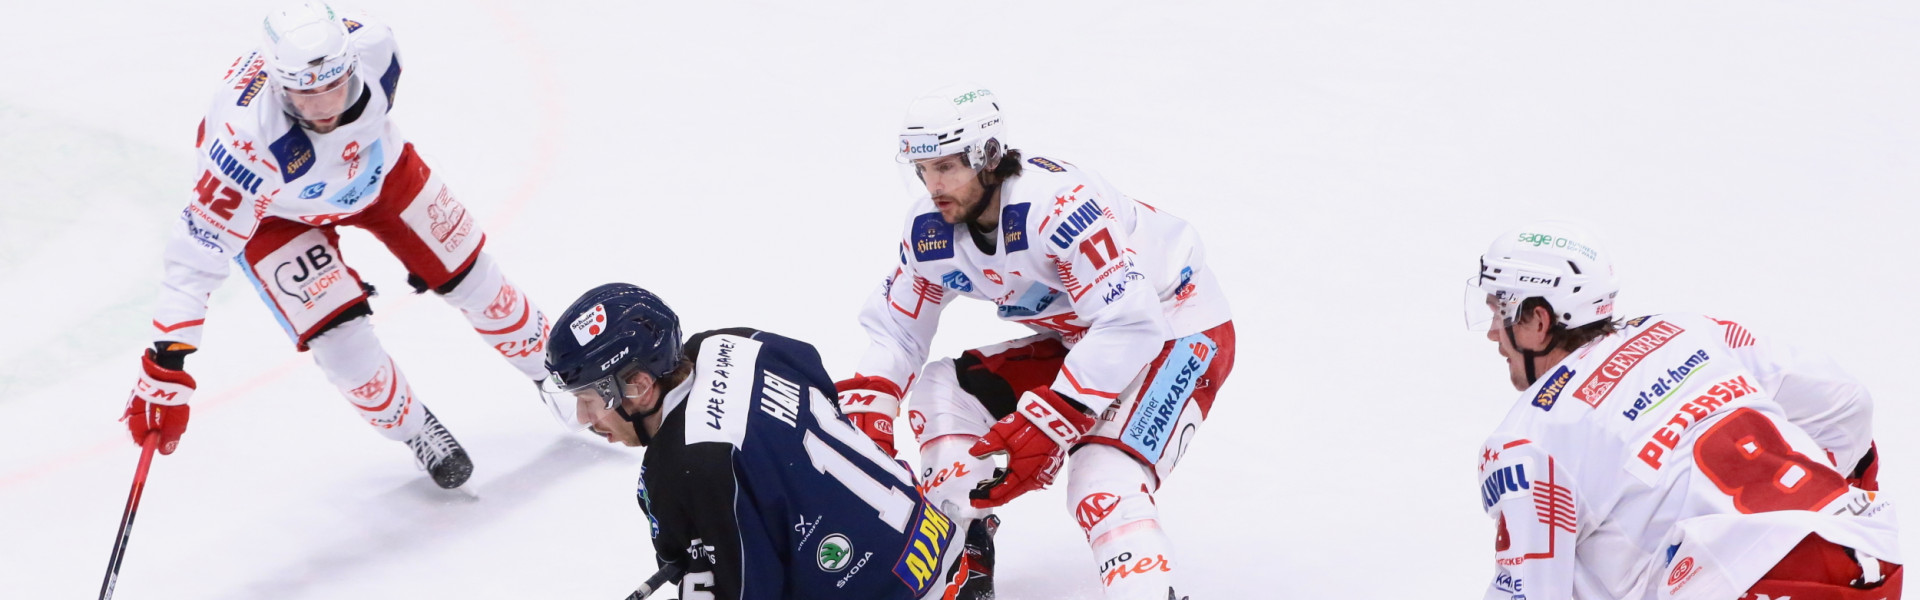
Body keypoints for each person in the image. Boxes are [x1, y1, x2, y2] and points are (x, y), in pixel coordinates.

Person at [122, 2, 557, 489]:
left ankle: (560, 375)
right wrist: (167, 364)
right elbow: (194, 257)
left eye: (336, 87)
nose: (325, 107)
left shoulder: (377, 46)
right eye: (304, 97)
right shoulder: (244, 145)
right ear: (277, 87)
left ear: (353, 66)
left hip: (381, 172)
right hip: (274, 216)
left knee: (476, 281)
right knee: (342, 345)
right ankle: (414, 429)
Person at [838, 84, 1235, 600]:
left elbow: (1132, 323)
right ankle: (962, 556)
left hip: (1178, 328)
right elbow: (897, 330)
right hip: (1087, 339)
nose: (933, 185)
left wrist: (1053, 418)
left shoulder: (1059, 208)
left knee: (1102, 477)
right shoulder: (929, 231)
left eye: (947, 167)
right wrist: (871, 403)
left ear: (987, 157)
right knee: (944, 393)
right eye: (922, 169)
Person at [1466, 221, 1901, 599]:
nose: (1492, 333)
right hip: (1865, 551)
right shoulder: (1688, 330)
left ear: (1539, 320)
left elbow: (1530, 591)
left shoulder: (1528, 438)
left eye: (1499, 313)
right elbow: (1849, 403)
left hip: (1748, 585)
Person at [542, 283, 956, 600]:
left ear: (638, 385)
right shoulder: (734, 342)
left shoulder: (683, 469)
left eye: (589, 399)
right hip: (940, 544)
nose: (585, 418)